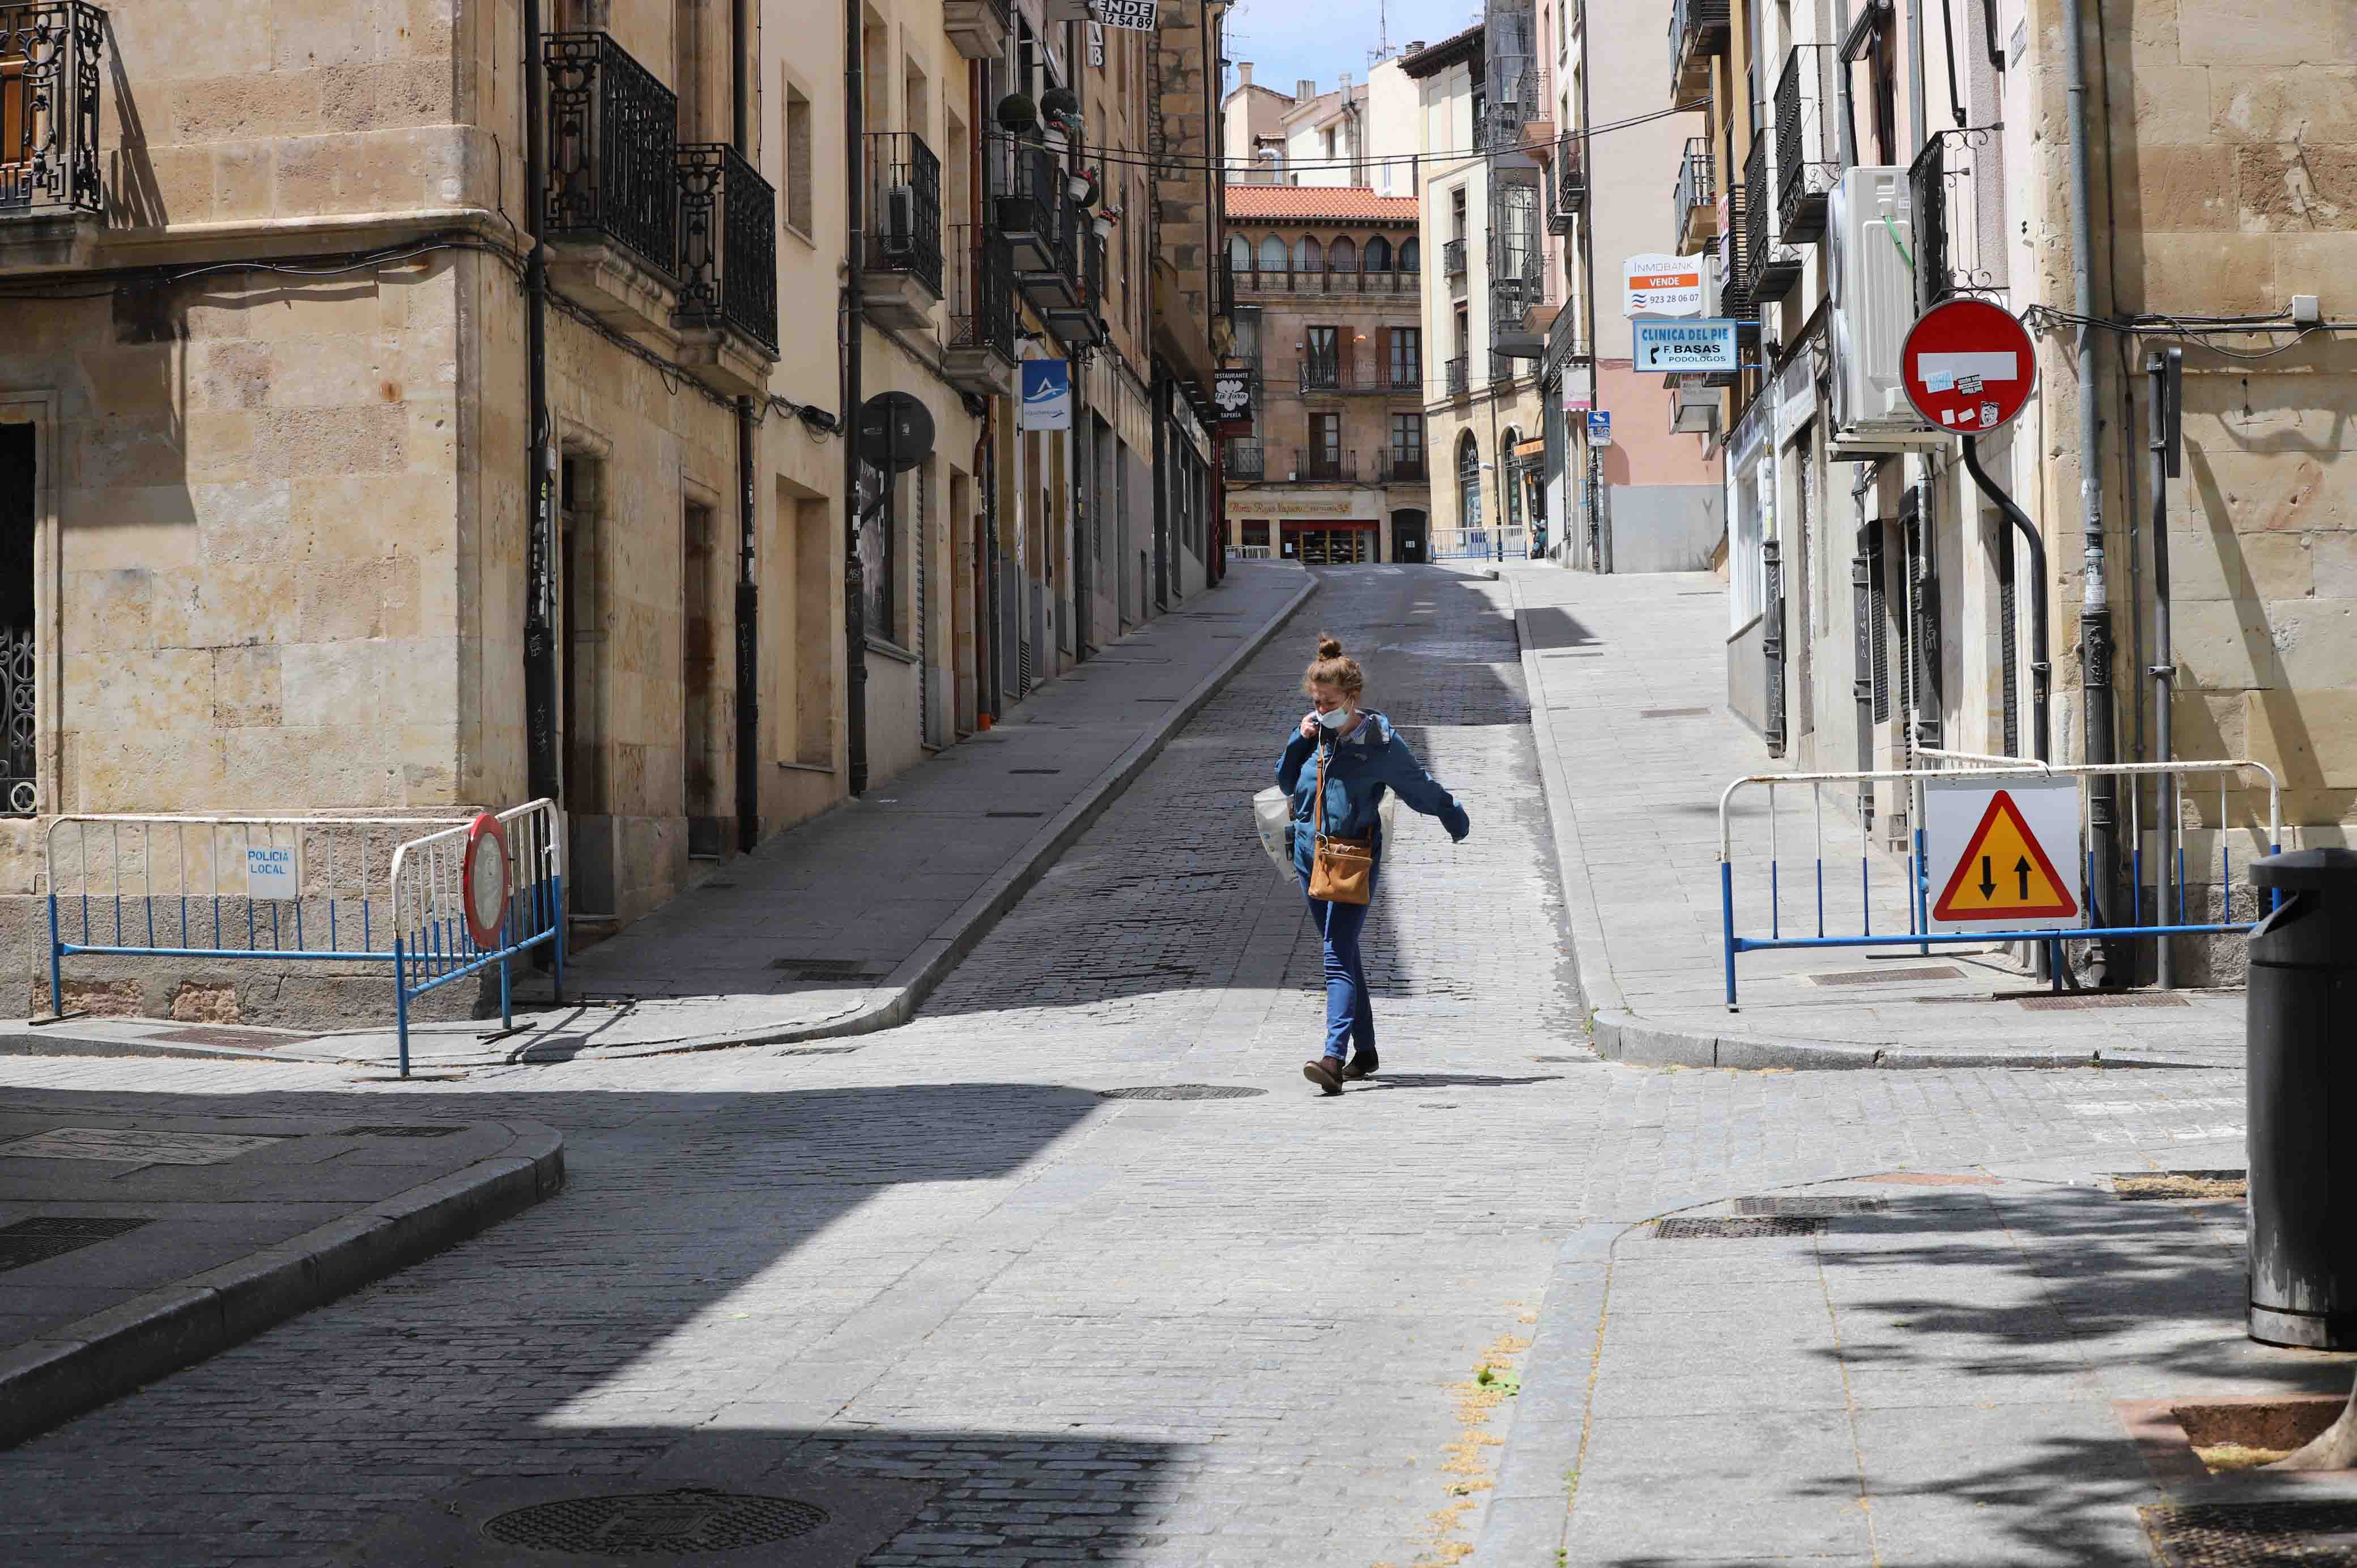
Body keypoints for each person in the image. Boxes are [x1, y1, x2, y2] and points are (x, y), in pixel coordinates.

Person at [1276, 633, 1471, 1096]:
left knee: (1335, 953)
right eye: (1316, 702)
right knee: (1342, 951)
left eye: (1329, 703)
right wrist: (1299, 738)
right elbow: (1285, 781)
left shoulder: (1380, 743)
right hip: (1309, 855)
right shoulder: (1316, 733)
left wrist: (1452, 816)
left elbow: (1419, 785)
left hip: (1352, 860)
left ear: (1352, 697)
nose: (1322, 710)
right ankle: (1365, 1053)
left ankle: (1332, 1057)